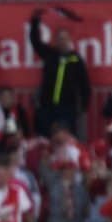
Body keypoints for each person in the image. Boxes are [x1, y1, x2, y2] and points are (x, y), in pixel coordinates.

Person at [29, 8, 91, 136]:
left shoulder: (76, 59)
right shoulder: (49, 54)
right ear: (55, 40)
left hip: (67, 107)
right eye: (59, 38)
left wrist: (82, 107)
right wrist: (35, 20)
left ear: (69, 40)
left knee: (66, 138)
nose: (62, 41)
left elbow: (85, 85)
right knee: (44, 137)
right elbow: (35, 41)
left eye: (65, 39)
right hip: (47, 106)